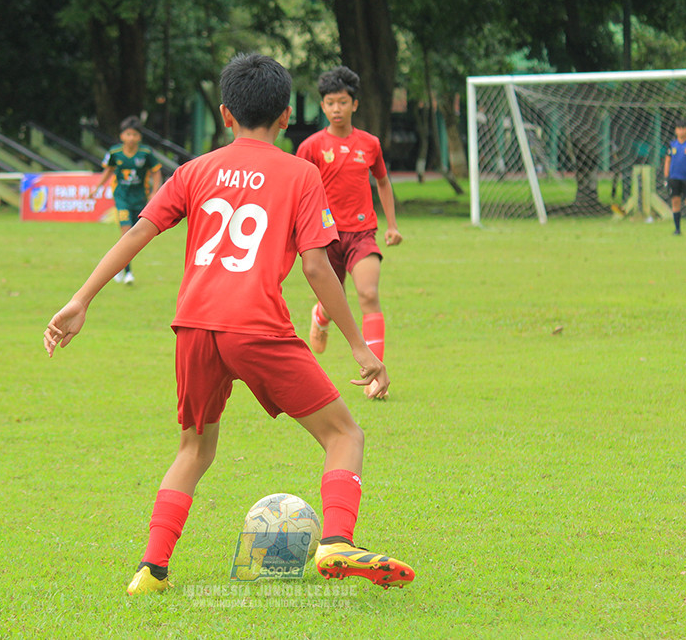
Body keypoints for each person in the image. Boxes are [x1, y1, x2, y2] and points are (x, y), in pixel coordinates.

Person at [44, 53, 414, 596]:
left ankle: (151, 570)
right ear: (288, 116)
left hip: (193, 326)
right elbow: (315, 265)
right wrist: (358, 344)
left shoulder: (194, 170)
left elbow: (137, 234)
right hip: (257, 325)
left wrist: (80, 300)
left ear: (224, 113)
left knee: (193, 449)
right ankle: (336, 541)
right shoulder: (301, 173)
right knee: (344, 433)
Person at [296, 66, 401, 399]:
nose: (336, 109)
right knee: (333, 300)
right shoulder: (311, 146)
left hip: (362, 233)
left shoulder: (369, 144)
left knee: (368, 295)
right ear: (323, 106)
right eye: (330, 103)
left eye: (343, 102)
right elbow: (296, 188)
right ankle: (321, 315)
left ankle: (375, 378)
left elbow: (382, 181)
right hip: (325, 236)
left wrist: (392, 225)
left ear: (354, 105)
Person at [92, 116, 163, 285]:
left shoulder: (145, 154)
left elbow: (156, 172)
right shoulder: (114, 153)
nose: (131, 138)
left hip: (140, 200)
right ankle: (128, 273)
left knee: (134, 235)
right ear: (122, 136)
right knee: (126, 233)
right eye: (128, 134)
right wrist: (97, 188)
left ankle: (119, 269)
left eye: (135, 135)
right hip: (122, 198)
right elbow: (108, 171)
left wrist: (155, 192)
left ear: (139, 137)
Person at [663, 120, 686, 235]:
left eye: (683, 128)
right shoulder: (672, 145)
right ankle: (677, 229)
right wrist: (666, 177)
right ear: (675, 130)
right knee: (675, 201)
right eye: (679, 128)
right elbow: (667, 161)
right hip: (674, 177)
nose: (681, 131)